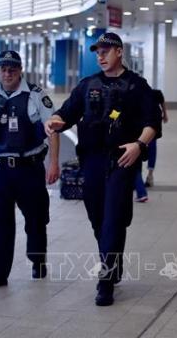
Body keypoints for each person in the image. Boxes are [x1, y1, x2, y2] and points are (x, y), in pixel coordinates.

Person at [44, 32, 161, 306]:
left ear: (119, 52)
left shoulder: (136, 86)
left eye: (106, 50)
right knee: (98, 218)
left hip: (121, 159)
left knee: (112, 218)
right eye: (97, 51)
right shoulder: (87, 85)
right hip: (92, 161)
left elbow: (152, 123)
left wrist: (138, 146)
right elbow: (67, 112)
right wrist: (56, 121)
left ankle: (105, 281)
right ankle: (113, 263)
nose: (100, 55)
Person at [0, 50, 60, 289]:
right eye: (3, 69)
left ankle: (37, 259)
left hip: (29, 169)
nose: (7, 74)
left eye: (12, 69)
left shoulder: (37, 96)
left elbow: (53, 131)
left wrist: (54, 163)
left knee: (36, 219)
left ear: (20, 71)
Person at [133, 89, 168, 201]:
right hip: (150, 128)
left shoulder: (140, 95)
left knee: (138, 157)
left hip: (144, 129)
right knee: (151, 151)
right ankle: (149, 176)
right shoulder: (155, 94)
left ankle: (142, 186)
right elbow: (162, 104)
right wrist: (165, 115)